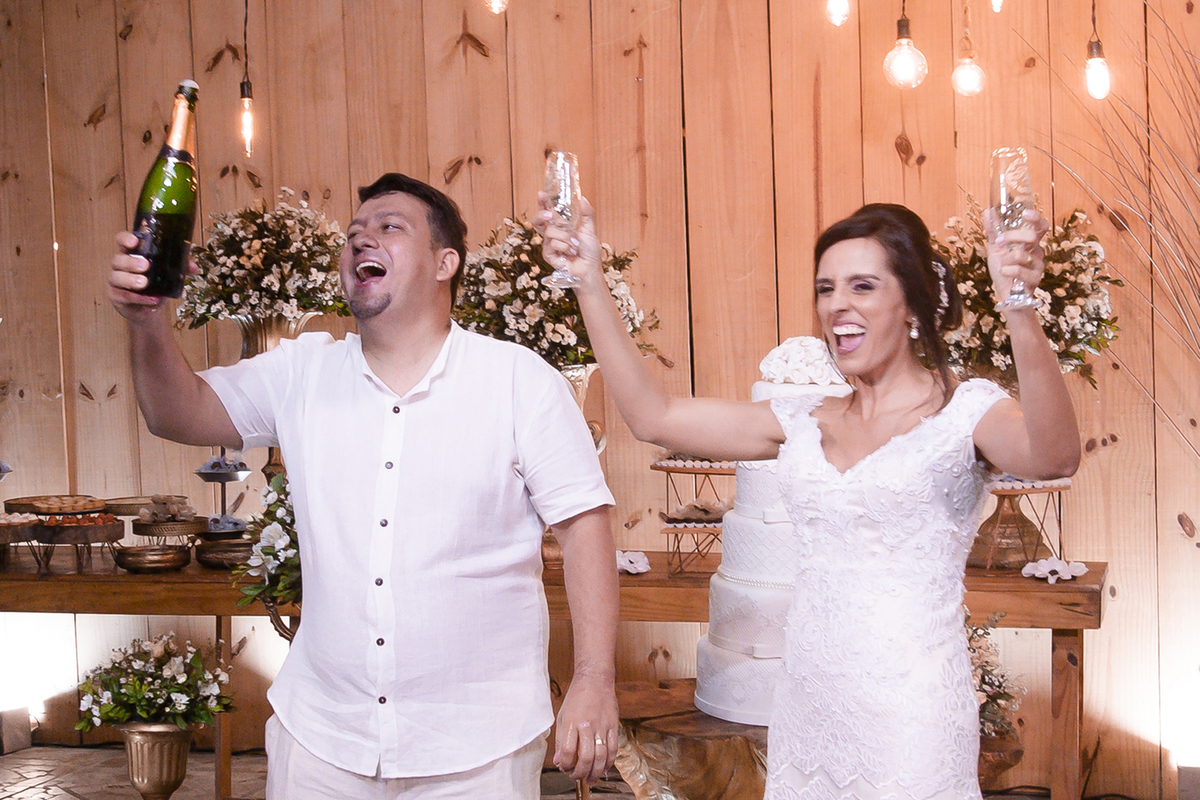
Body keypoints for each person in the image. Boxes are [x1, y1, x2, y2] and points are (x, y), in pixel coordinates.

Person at [537, 198, 1080, 799]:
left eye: (862, 285)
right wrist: (587, 281)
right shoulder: (802, 416)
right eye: (826, 288)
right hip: (808, 708)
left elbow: (1054, 456)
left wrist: (1019, 307)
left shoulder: (965, 411)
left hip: (913, 715)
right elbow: (653, 416)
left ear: (913, 303)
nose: (836, 304)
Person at [108, 173, 621, 799]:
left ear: (445, 263)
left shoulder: (519, 381)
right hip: (321, 741)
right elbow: (175, 413)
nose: (361, 240)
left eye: (388, 227)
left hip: (477, 749)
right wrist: (147, 321)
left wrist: (594, 678)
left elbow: (584, 525)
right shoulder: (302, 372)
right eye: (353, 233)